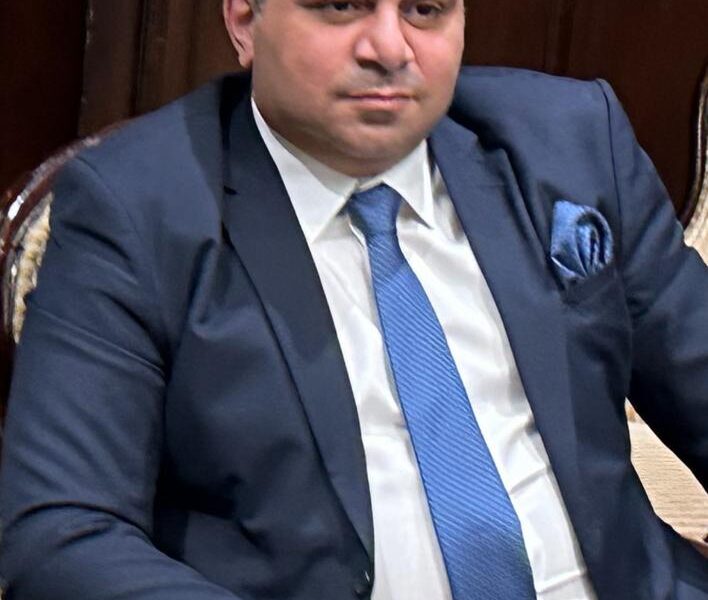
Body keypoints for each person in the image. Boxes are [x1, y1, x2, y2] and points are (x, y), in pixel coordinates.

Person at [0, 0, 706, 598]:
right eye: (341, 6)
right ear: (244, 20)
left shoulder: (567, 142)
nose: (390, 49)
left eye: (425, 10)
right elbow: (61, 534)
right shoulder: (139, 208)